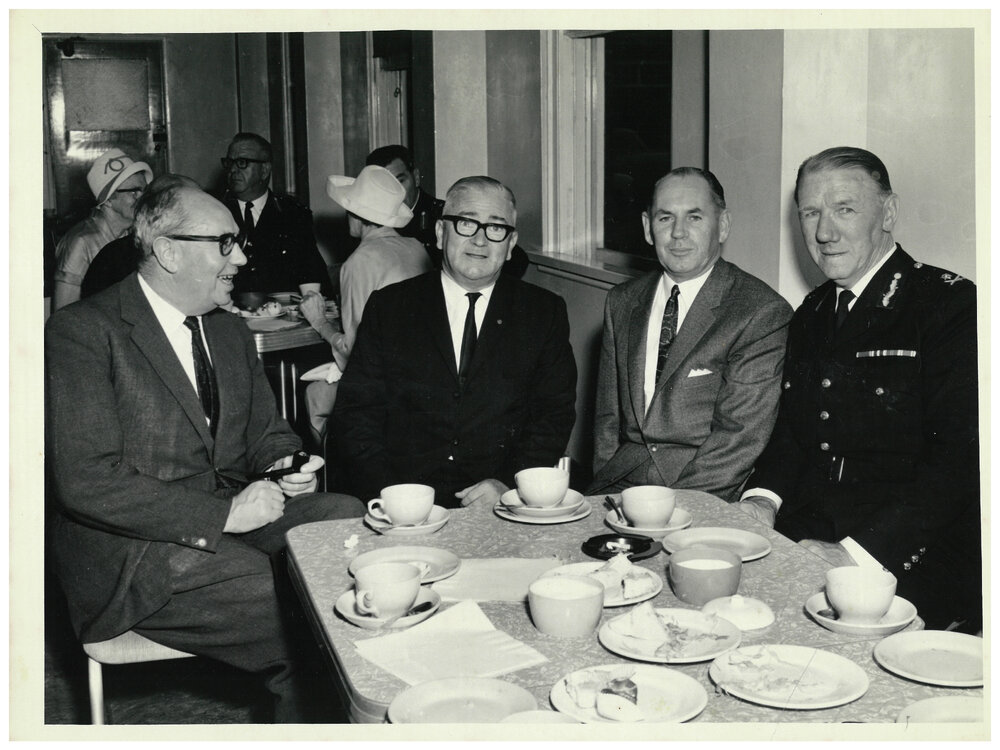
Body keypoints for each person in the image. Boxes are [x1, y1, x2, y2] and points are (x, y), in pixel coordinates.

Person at [45, 177, 365, 722]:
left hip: (227, 518)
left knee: (346, 519)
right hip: (137, 551)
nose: (240, 256)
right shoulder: (82, 333)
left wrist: (286, 466)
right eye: (224, 243)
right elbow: (87, 482)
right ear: (167, 251)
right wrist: (223, 515)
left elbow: (268, 434)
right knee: (303, 610)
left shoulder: (229, 331)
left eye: (237, 241)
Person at [740, 147, 981, 633]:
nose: (824, 232)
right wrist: (760, 502)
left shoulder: (948, 306)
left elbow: (958, 465)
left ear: (888, 212)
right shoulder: (812, 312)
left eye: (844, 209)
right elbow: (791, 433)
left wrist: (856, 554)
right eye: (811, 212)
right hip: (810, 533)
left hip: (909, 554)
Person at [330, 176, 577, 508]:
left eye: (495, 228)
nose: (479, 240)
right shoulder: (390, 308)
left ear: (511, 242)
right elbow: (356, 415)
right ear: (440, 233)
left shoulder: (543, 312)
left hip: (501, 500)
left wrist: (508, 485)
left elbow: (553, 416)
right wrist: (393, 495)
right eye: (465, 223)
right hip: (401, 501)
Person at [587, 167, 792, 502]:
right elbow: (608, 423)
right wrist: (606, 497)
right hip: (620, 486)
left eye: (694, 217)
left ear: (723, 225)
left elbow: (737, 440)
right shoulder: (622, 301)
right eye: (665, 218)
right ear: (647, 228)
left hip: (704, 495)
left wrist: (667, 512)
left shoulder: (759, 311)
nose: (678, 233)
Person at [300, 164, 433, 446]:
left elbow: (355, 354)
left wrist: (319, 322)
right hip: (425, 380)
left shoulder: (358, 262)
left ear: (357, 215)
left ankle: (330, 478)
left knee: (315, 394)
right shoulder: (416, 248)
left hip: (387, 390)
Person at [367, 144, 530, 277]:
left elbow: (518, 259)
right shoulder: (371, 221)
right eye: (383, 185)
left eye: (399, 181)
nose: (393, 192)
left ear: (416, 177)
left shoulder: (446, 215)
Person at [221, 132, 329, 298]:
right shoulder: (216, 212)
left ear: (264, 170)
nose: (233, 170)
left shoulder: (293, 215)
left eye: (242, 163)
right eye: (229, 163)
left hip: (281, 316)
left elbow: (312, 272)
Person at [52, 148, 152, 310]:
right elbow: (63, 314)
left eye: (144, 190)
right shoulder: (81, 243)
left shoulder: (132, 234)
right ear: (108, 201)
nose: (142, 198)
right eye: (133, 191)